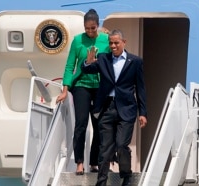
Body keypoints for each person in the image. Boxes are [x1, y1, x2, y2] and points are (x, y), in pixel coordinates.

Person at [82, 29, 148, 186]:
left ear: (124, 42)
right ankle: (101, 182)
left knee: (121, 145)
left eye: (116, 43)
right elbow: (87, 69)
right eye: (111, 43)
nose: (113, 46)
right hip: (106, 108)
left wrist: (143, 112)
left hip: (126, 109)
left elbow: (141, 88)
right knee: (104, 148)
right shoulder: (103, 59)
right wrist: (87, 62)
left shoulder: (135, 61)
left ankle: (126, 176)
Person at [56, 9, 110, 175]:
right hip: (81, 85)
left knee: (100, 126)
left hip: (100, 87)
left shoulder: (106, 40)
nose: (90, 31)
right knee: (81, 124)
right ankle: (79, 162)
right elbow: (69, 66)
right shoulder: (77, 40)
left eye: (93, 28)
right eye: (87, 28)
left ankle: (94, 162)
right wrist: (65, 90)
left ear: (98, 25)